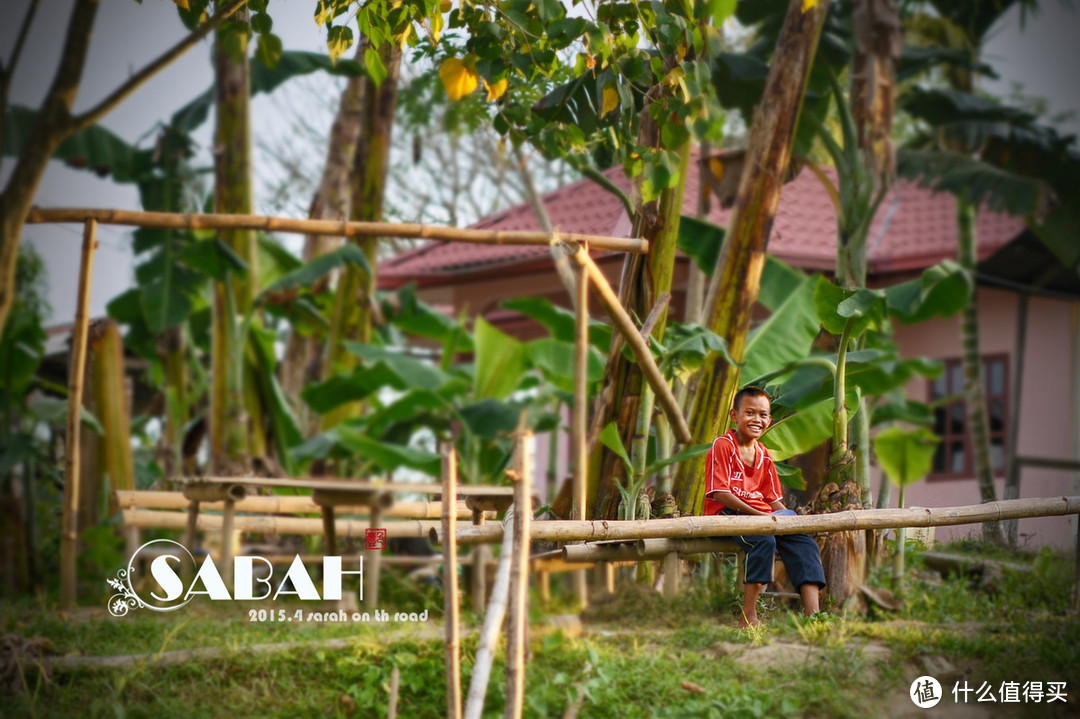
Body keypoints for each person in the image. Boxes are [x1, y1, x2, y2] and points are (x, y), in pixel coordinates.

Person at [704, 386, 826, 627]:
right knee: (763, 541)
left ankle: (815, 616)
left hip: (764, 518)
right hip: (729, 514)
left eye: (763, 415)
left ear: (770, 420)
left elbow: (773, 500)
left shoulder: (764, 455)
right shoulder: (723, 445)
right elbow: (720, 493)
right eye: (750, 413)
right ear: (734, 415)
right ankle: (749, 616)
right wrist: (761, 515)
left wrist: (788, 517)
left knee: (805, 543)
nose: (757, 420)